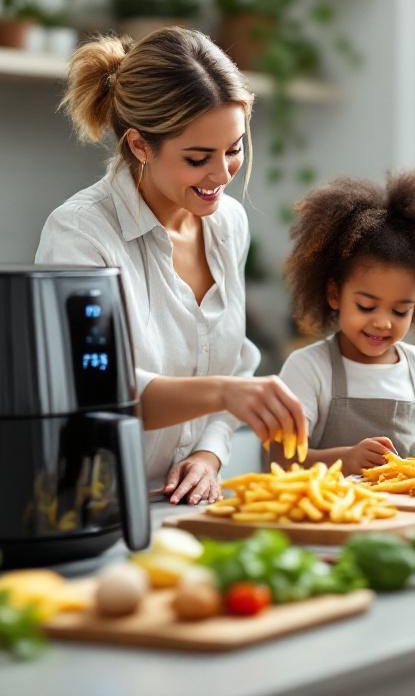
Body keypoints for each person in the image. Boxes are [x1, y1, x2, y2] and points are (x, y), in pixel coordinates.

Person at [36, 27, 306, 507]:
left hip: (185, 507)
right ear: (140, 146)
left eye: (234, 149)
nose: (222, 175)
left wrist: (208, 453)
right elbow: (93, 389)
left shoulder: (227, 225)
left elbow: (233, 363)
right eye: (198, 157)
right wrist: (225, 394)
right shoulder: (80, 235)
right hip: (97, 507)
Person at [277, 170, 415, 471]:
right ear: (335, 294)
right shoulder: (308, 368)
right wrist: (346, 460)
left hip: (406, 513)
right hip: (327, 515)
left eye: (400, 311)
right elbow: (280, 460)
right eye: (366, 306)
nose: (383, 323)